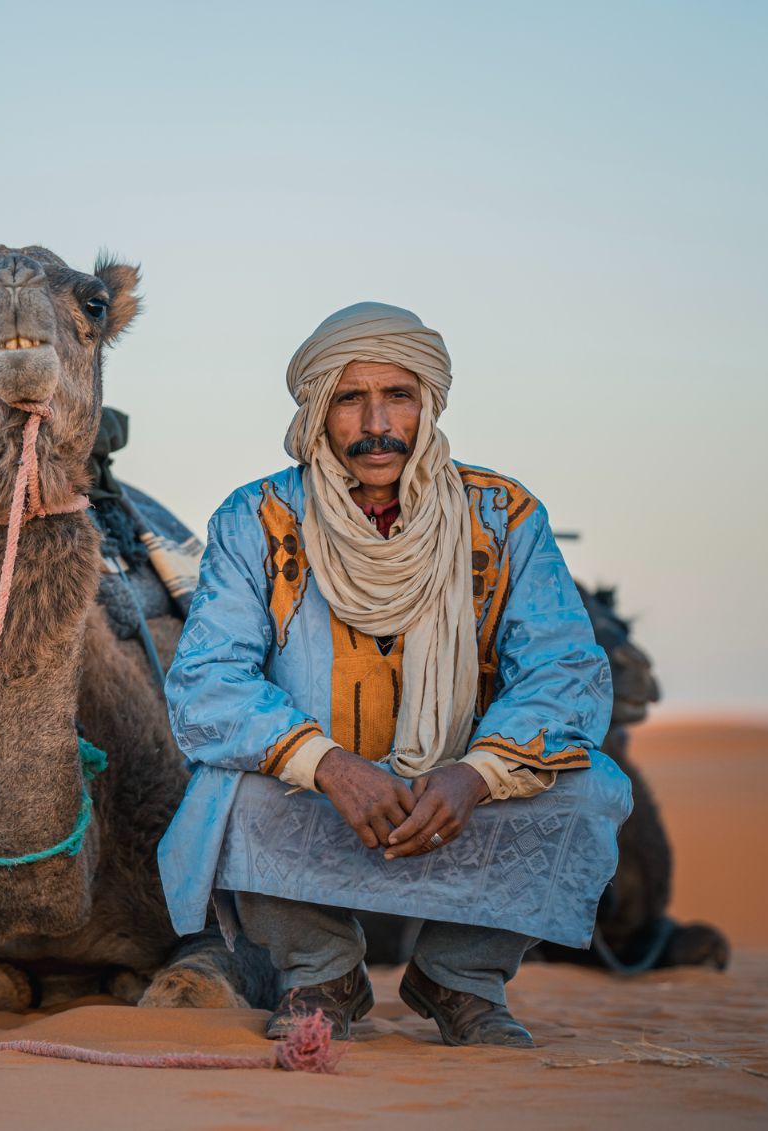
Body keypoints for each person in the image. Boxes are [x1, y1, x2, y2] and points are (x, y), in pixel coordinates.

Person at [157, 303, 632, 1047]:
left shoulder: (503, 516)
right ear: (318, 408)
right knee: (223, 792)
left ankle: (459, 978)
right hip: (317, 790)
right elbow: (206, 681)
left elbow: (564, 670)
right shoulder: (256, 517)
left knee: (591, 789)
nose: (376, 422)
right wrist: (327, 764)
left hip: (457, 794)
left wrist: (475, 774)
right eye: (349, 398)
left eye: (397, 396)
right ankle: (321, 972)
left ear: (428, 403)